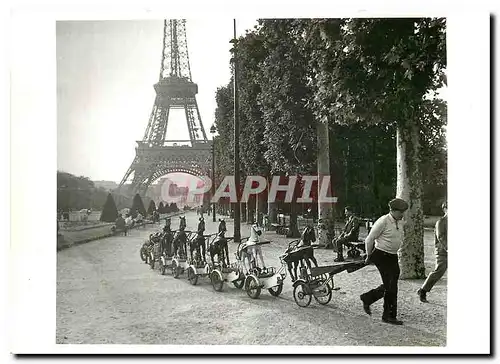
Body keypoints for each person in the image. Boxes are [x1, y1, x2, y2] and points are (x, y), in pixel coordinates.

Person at [360, 198, 409, 325]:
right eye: (400, 212)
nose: (402, 214)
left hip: (392, 256)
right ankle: (388, 316)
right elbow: (369, 239)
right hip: (381, 255)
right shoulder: (383, 221)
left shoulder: (400, 221)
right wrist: (368, 255)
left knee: (391, 284)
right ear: (392, 210)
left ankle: (368, 298)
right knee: (391, 286)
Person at [418, 201, 448, 303]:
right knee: (439, 271)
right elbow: (441, 237)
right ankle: (423, 290)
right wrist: (448, 248)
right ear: (445, 209)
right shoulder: (441, 222)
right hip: (442, 251)